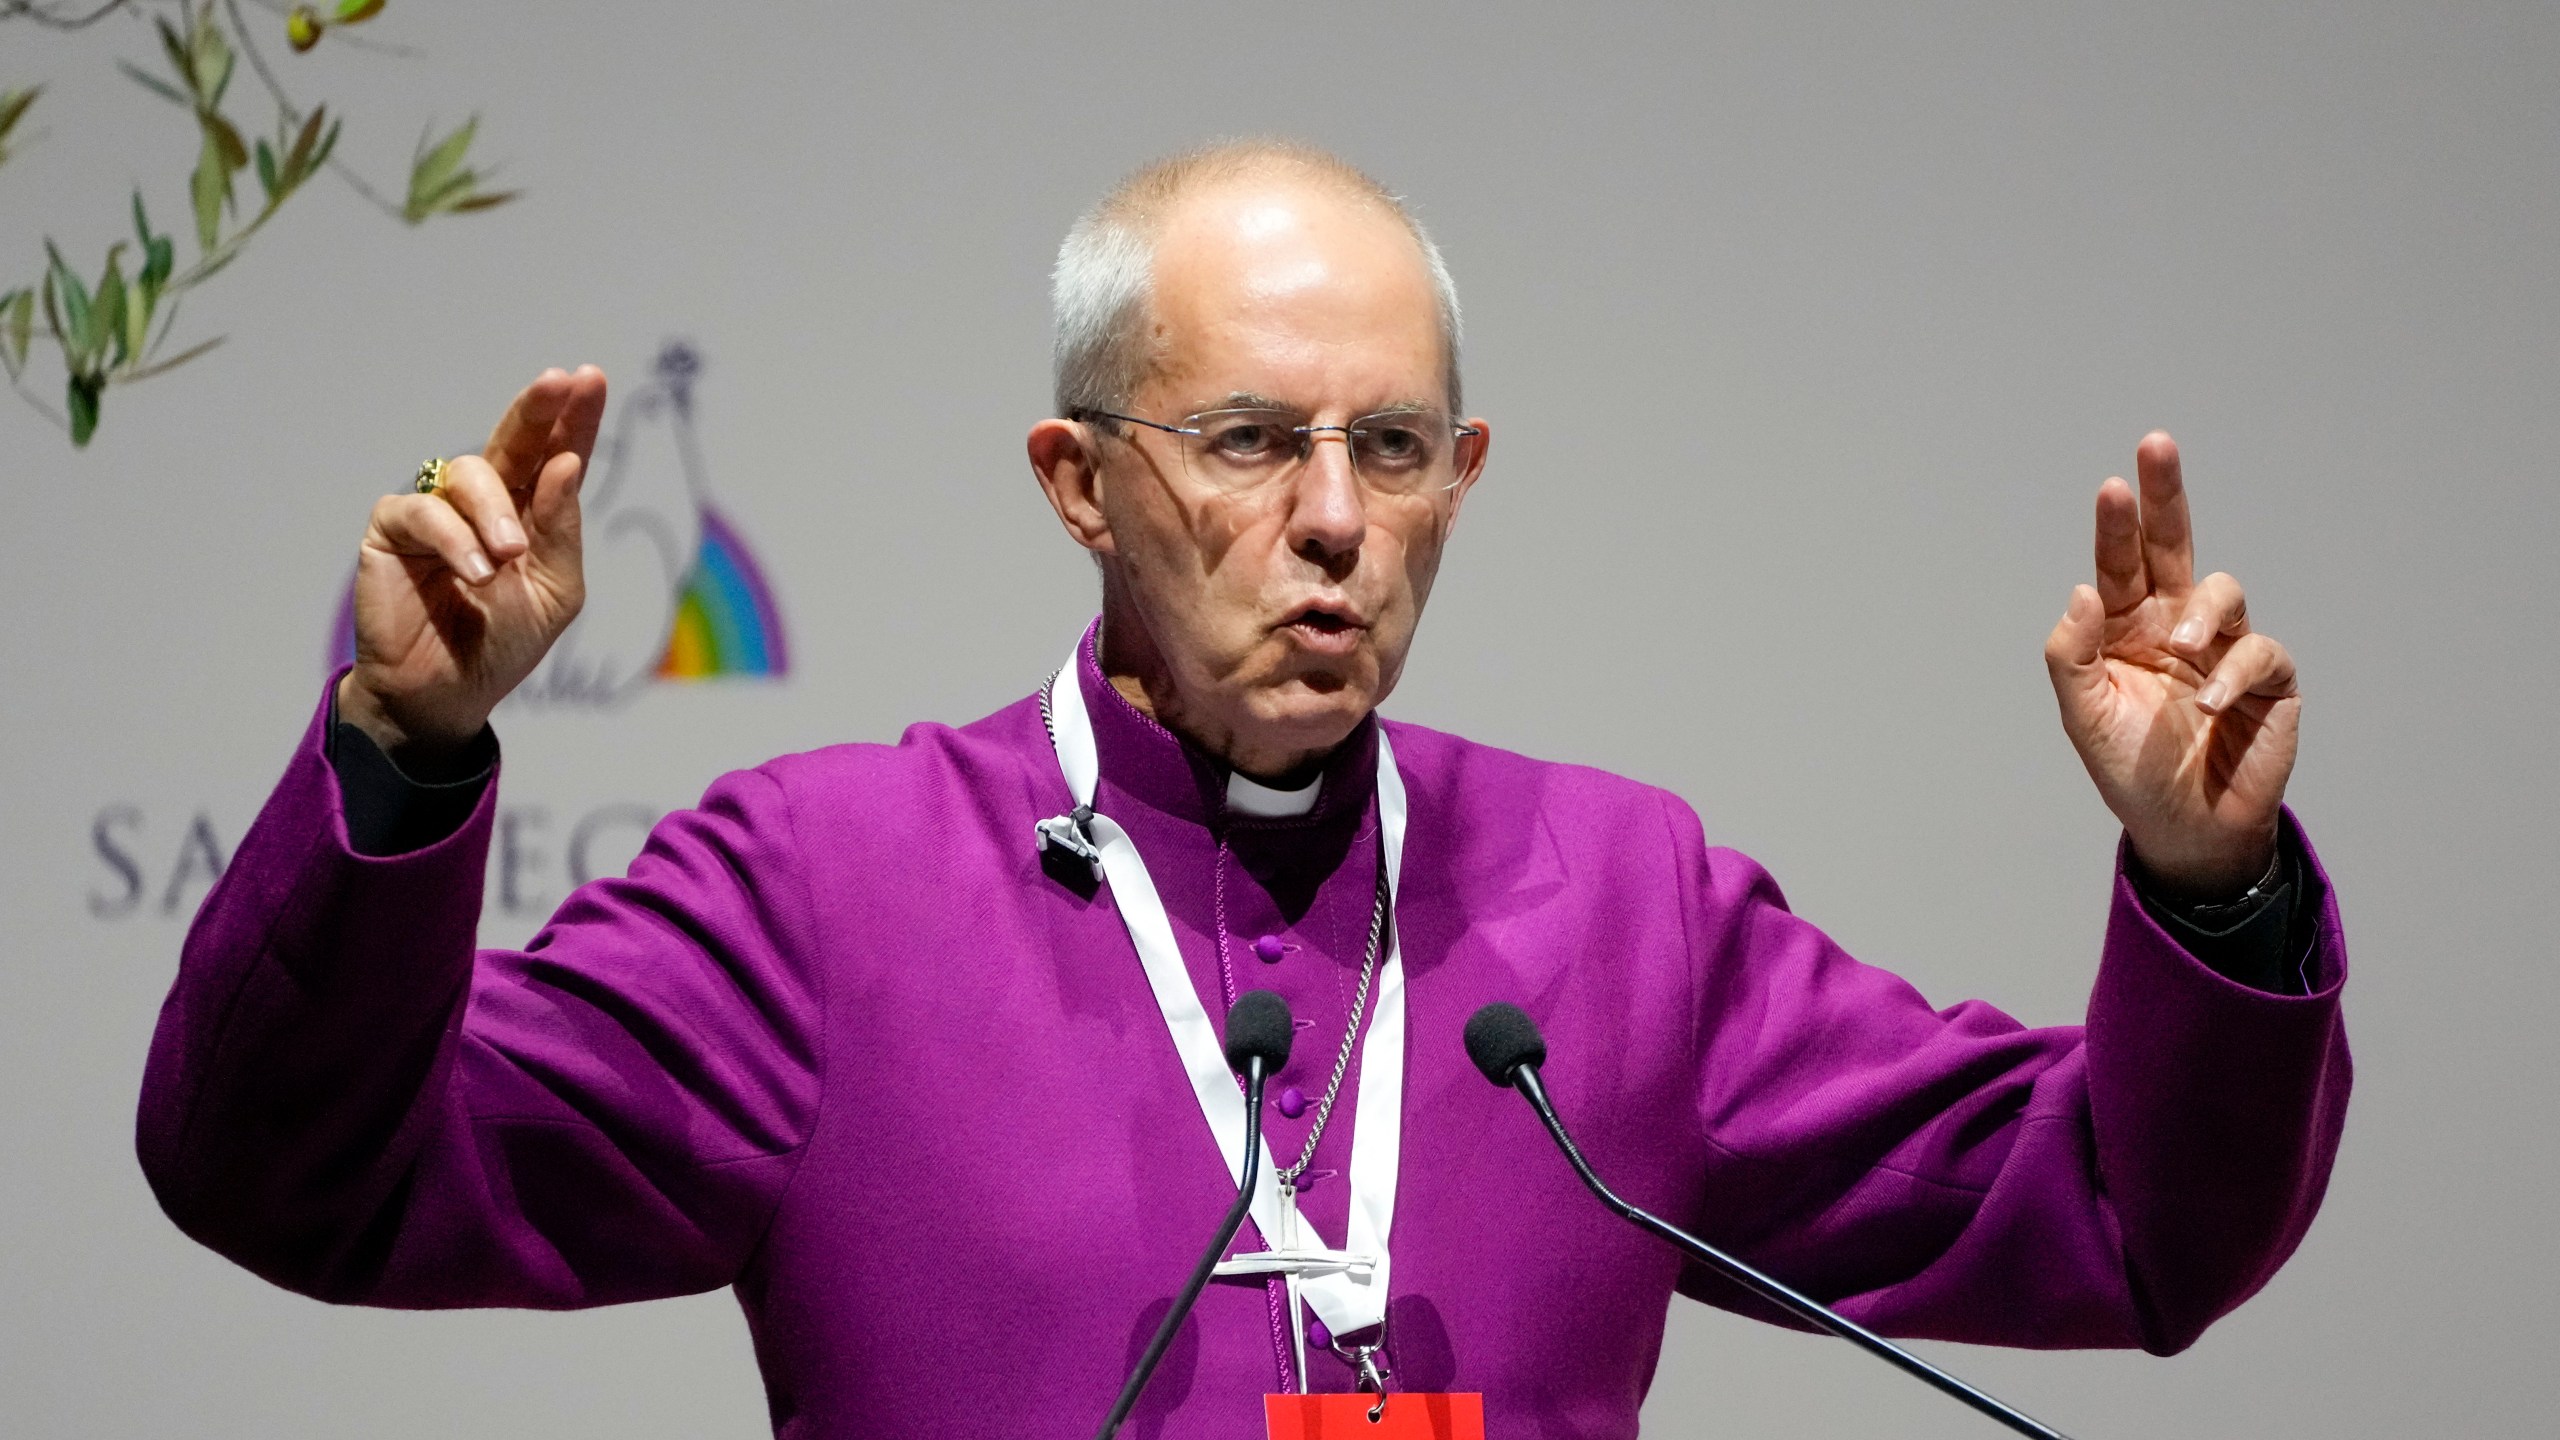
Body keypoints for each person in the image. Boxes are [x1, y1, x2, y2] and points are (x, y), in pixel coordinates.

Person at [137, 141, 2349, 1440]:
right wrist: (406, 760)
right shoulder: (820, 894)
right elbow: (286, 1178)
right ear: (1075, 485)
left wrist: (2206, 887)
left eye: (1392, 451)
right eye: (1246, 441)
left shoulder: (1618, 901)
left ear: (1458, 486)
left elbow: (2118, 1222)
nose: (1329, 520)